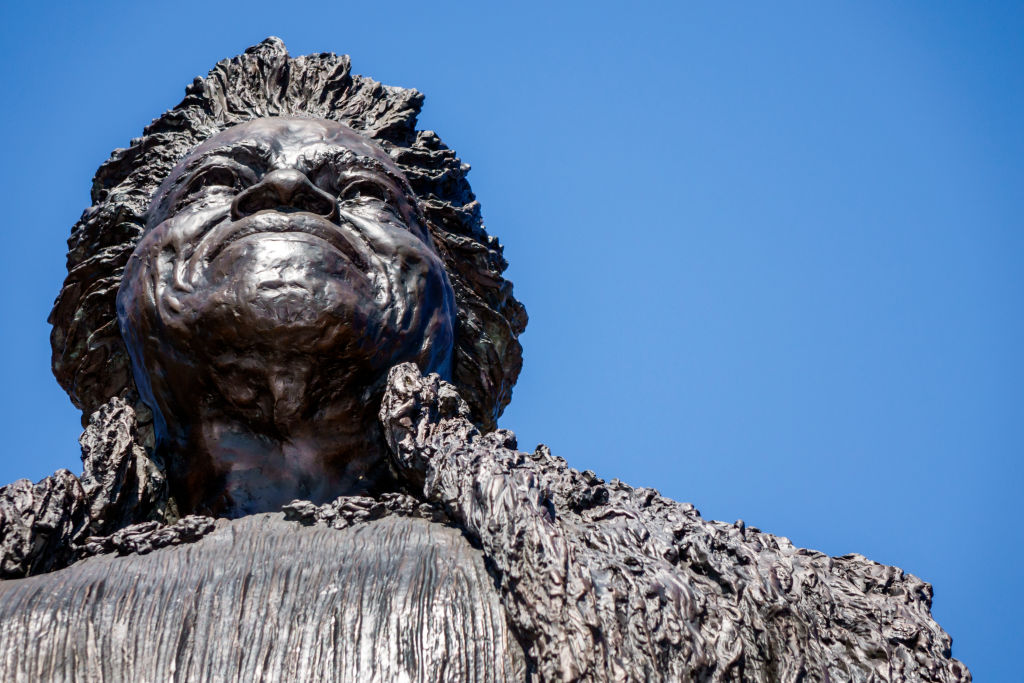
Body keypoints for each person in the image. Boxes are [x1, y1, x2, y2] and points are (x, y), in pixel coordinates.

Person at [0, 39, 968, 682]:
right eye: (216, 182)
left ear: (457, 311)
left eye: (363, 193)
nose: (288, 189)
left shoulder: (739, 601)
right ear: (107, 302)